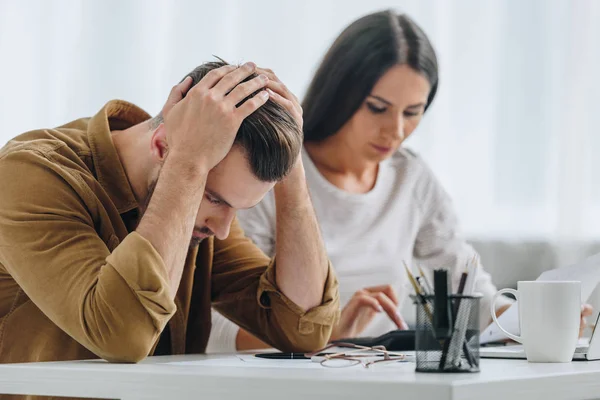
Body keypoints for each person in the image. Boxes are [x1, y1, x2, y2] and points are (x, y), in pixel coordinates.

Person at [209, 10, 592, 352]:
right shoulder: (268, 175)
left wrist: (529, 321)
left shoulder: (411, 178)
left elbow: (467, 291)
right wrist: (322, 332)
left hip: (386, 372)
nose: (395, 130)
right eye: (378, 108)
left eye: (413, 112)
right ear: (341, 92)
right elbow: (225, 328)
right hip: (298, 373)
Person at [0, 60, 339, 365]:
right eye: (216, 199)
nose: (222, 230)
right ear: (162, 145)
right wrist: (188, 163)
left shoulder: (203, 215)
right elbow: (122, 337)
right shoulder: (29, 174)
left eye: (236, 207)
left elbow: (302, 328)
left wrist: (292, 179)